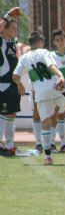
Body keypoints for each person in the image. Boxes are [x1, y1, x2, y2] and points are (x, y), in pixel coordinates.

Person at [12, 32, 65, 165]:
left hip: (41, 94)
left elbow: (15, 75)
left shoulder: (24, 57)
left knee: (45, 122)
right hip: (55, 89)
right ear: (41, 42)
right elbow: (50, 65)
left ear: (30, 44)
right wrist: (60, 75)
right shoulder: (44, 52)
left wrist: (20, 84)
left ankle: (47, 156)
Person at [0, 9, 22, 156]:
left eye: (16, 28)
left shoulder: (13, 44)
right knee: (3, 114)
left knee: (12, 114)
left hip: (13, 85)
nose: (15, 31)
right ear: (5, 30)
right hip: (4, 85)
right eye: (12, 28)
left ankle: (9, 145)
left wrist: (20, 83)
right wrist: (8, 15)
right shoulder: (1, 42)